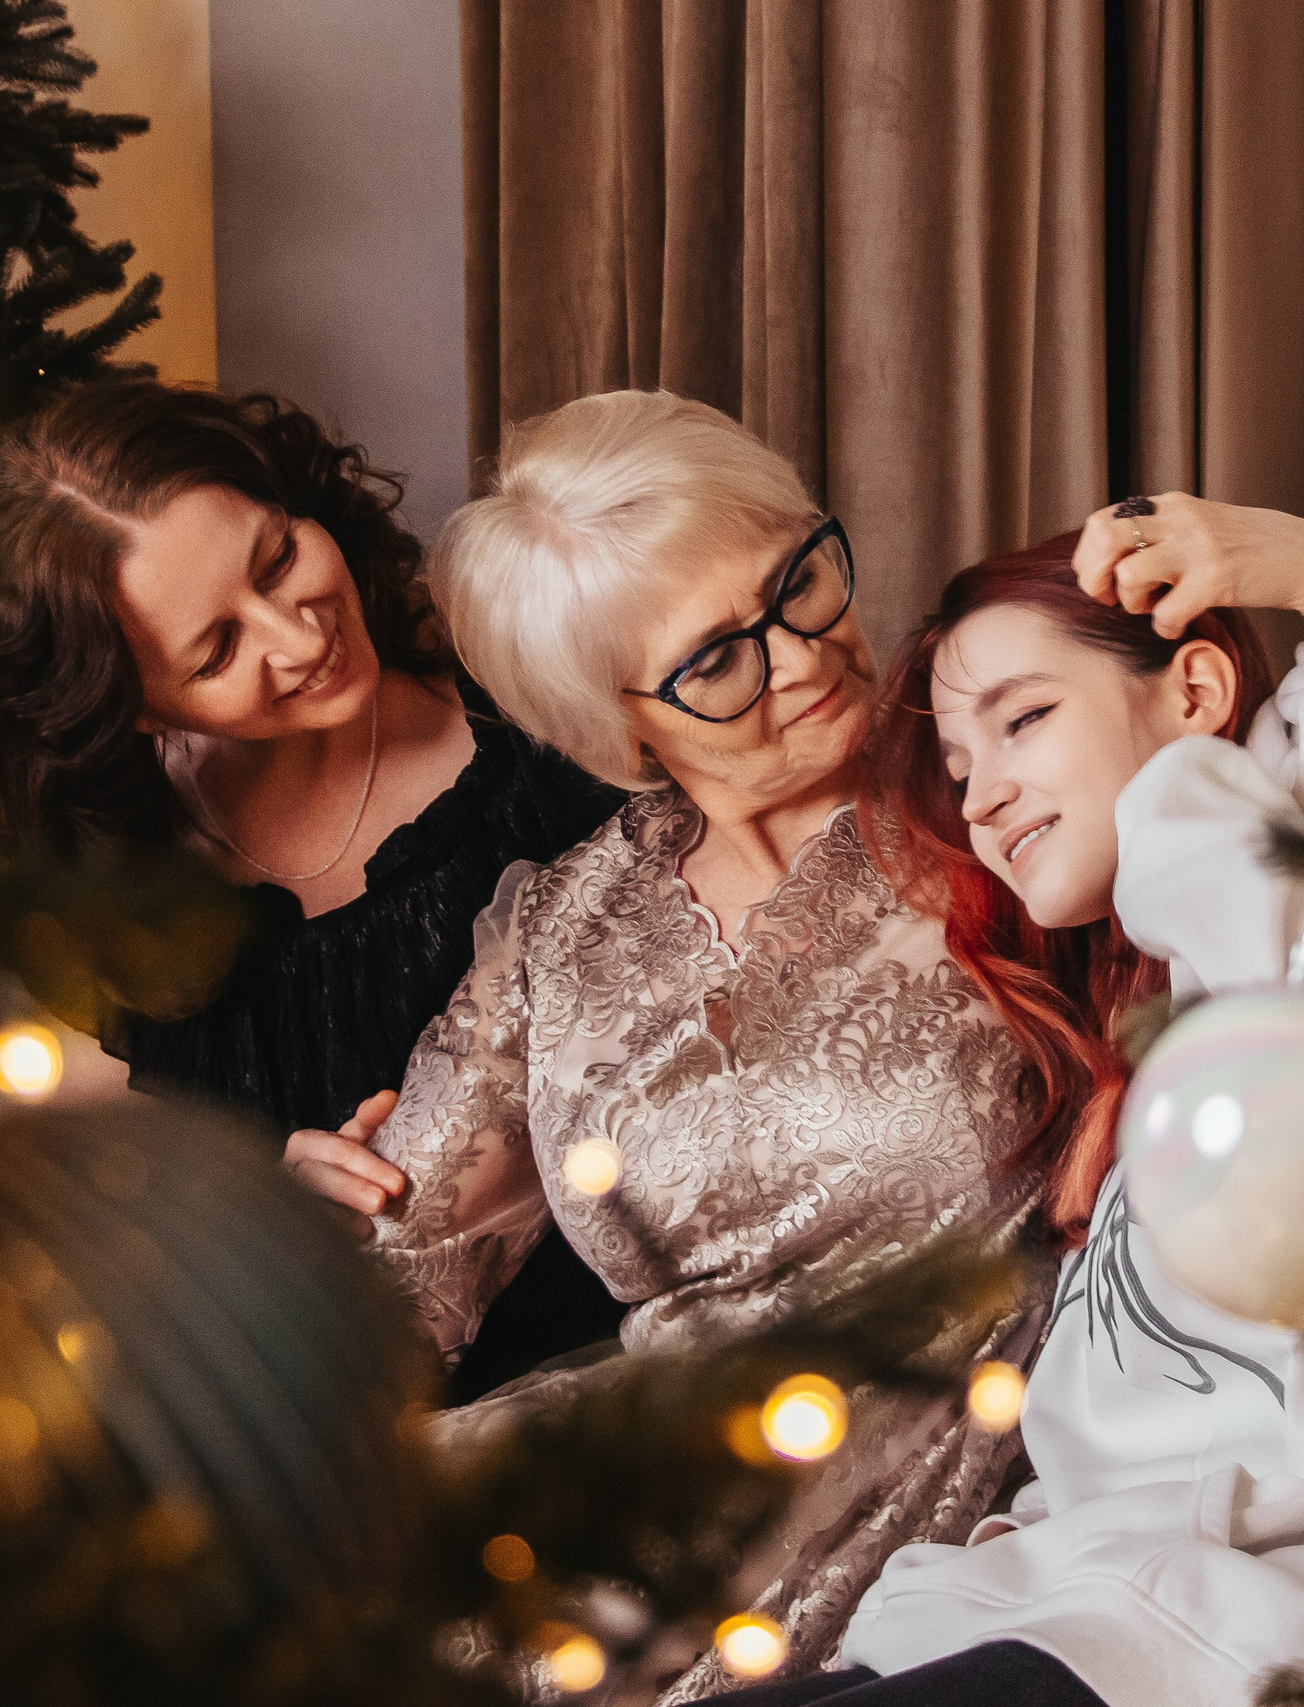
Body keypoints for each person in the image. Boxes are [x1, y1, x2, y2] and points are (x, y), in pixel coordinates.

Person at [713, 502, 1304, 1707]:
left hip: (1267, 1619)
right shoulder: (1167, 1014)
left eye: (1025, 719)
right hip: (1083, 1593)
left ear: (1193, 691)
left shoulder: (1285, 860)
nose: (981, 801)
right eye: (964, 772)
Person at [279, 390, 1048, 1700]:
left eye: (799, 579)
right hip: (629, 1484)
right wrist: (275, 1247)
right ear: (618, 727)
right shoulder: (557, 925)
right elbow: (400, 1283)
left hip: (943, 1466)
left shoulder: (999, 784)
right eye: (718, 660)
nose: (802, 656)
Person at [0, 381, 629, 1395]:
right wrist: (253, 1208)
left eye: (279, 556)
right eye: (216, 649)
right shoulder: (90, 890)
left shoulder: (541, 730)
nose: (298, 639)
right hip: (295, 1429)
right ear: (126, 712)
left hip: (609, 1395)